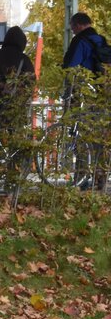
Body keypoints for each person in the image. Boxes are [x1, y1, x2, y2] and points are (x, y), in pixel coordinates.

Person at [0, 25, 35, 186]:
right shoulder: (24, 59)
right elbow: (31, 83)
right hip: (16, 109)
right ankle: (12, 179)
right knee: (16, 143)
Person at [62, 11, 107, 191]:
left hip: (82, 96)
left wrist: (67, 93)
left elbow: (70, 67)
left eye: (72, 28)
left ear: (78, 25)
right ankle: (100, 178)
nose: (72, 31)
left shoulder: (80, 41)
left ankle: (81, 178)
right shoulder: (101, 40)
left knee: (80, 137)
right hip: (101, 96)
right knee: (99, 139)